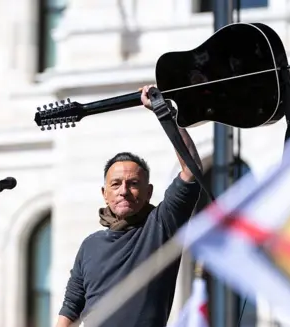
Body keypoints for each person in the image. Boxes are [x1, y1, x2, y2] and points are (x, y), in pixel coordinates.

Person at [55, 85, 202, 327]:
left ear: (149, 192)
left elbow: (191, 168)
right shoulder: (90, 245)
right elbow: (71, 308)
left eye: (133, 184)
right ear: (104, 194)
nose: (124, 191)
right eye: (116, 184)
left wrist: (164, 112)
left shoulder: (162, 226)